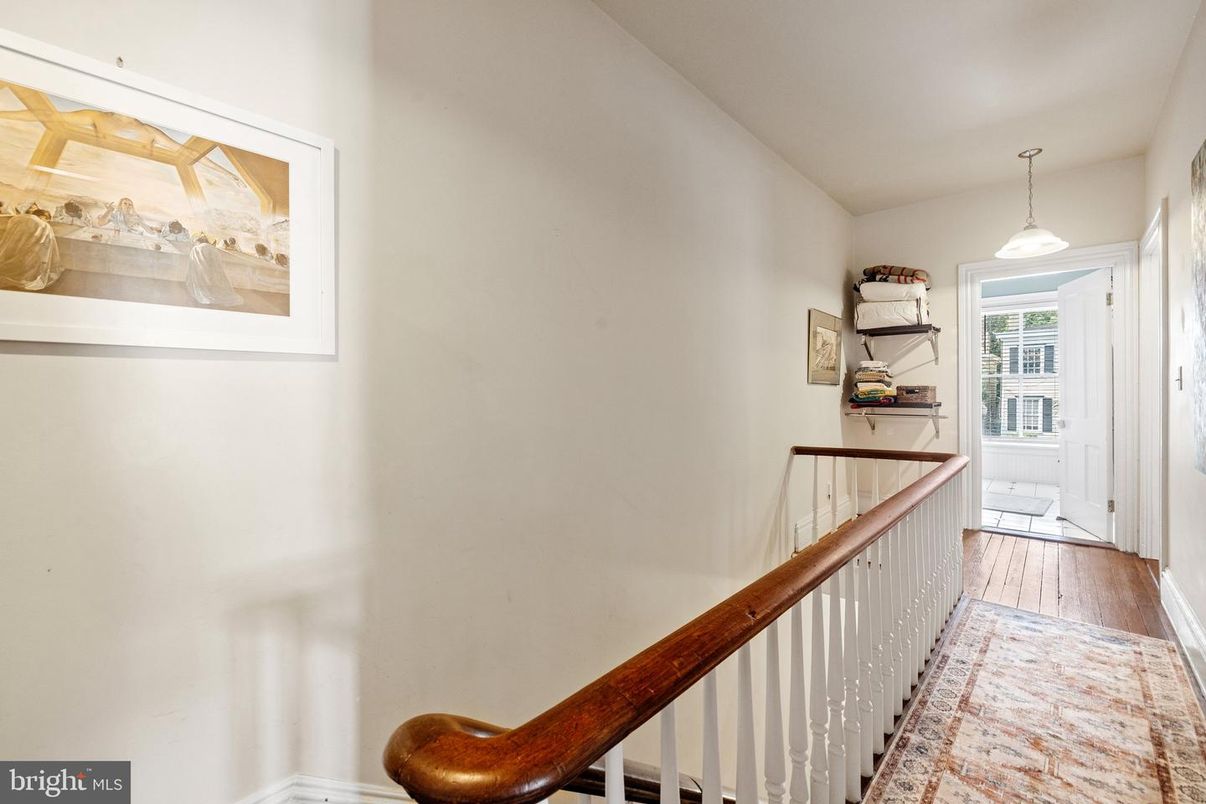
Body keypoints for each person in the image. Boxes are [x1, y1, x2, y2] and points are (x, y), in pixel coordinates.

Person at [0, 213, 63, 290]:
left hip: (18, 248)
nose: (47, 221)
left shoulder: (20, 219)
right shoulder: (42, 224)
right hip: (29, 251)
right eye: (47, 219)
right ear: (43, 216)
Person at [185, 235, 243, 307]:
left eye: (195, 242)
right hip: (213, 272)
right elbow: (217, 262)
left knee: (203, 285)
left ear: (198, 241)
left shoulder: (196, 248)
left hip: (202, 272)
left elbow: (193, 263)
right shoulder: (213, 248)